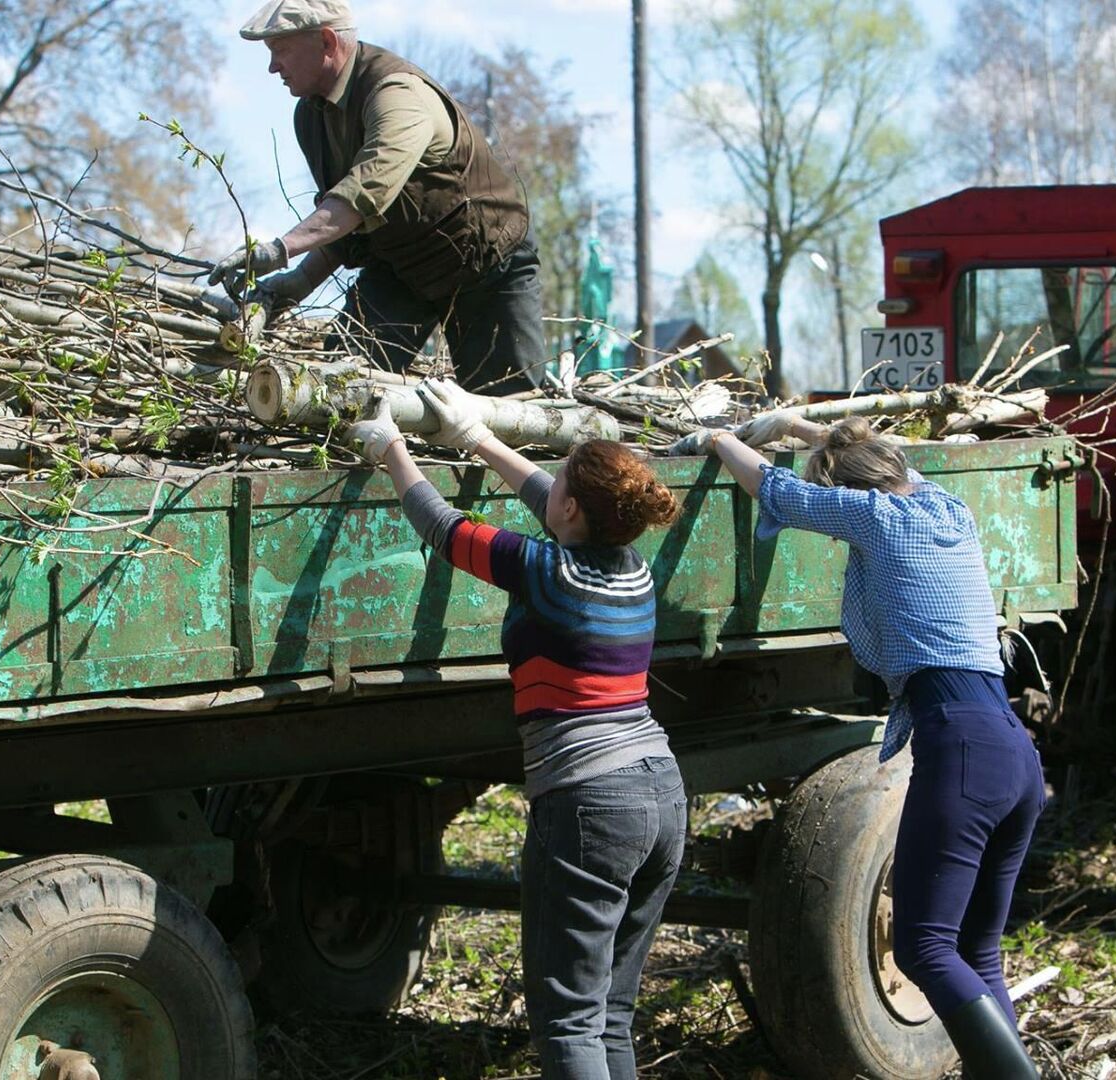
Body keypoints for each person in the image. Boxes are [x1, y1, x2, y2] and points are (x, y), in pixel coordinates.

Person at [687, 412, 1043, 1078]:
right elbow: (899, 469)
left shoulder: (875, 518)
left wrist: (718, 438)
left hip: (961, 746)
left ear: (854, 489)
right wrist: (806, 428)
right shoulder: (950, 512)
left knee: (925, 947)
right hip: (1014, 750)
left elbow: (777, 491)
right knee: (975, 950)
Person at [346, 380, 684, 1079]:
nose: (550, 488)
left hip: (593, 806)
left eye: (559, 479)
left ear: (574, 508)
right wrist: (479, 439)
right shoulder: (632, 570)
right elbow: (555, 502)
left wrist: (393, 452)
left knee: (567, 1023)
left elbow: (447, 530)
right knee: (608, 1017)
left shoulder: (547, 573)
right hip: (661, 794)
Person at [219, 0, 542, 392]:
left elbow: (361, 196)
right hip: (403, 270)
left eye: (280, 50)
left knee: (511, 410)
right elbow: (346, 224)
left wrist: (279, 250)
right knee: (336, 390)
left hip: (486, 265)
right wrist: (301, 280)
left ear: (325, 41)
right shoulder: (312, 116)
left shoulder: (396, 94)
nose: (273, 67)